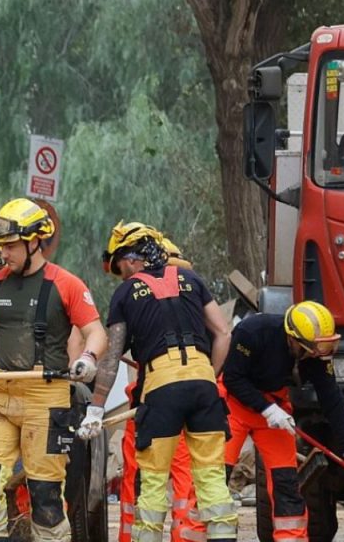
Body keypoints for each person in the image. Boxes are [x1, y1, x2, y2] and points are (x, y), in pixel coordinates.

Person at [0, 198, 107, 541]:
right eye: (1, 246)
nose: (5, 253)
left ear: (35, 242)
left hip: (46, 398)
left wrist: (87, 359)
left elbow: (96, 333)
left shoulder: (66, 284)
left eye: (11, 246)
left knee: (45, 495)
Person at [80, 222, 237, 541]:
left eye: (119, 264)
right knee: (211, 479)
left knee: (152, 482)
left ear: (134, 257)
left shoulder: (125, 292)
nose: (121, 273)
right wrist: (210, 374)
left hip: (161, 388)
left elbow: (111, 358)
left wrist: (96, 408)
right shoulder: (193, 279)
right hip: (203, 385)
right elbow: (223, 333)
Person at [221, 301, 344, 541]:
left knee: (286, 483)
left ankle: (291, 537)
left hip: (275, 409)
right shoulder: (253, 332)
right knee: (214, 476)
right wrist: (266, 409)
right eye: (313, 348)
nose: (318, 353)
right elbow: (233, 378)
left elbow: (332, 401)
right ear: (293, 339)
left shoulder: (315, 354)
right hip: (235, 404)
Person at [101, 226, 204, 542]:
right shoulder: (193, 292)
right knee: (184, 477)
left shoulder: (139, 293)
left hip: (153, 401)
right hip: (189, 396)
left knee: (145, 477)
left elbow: (117, 347)